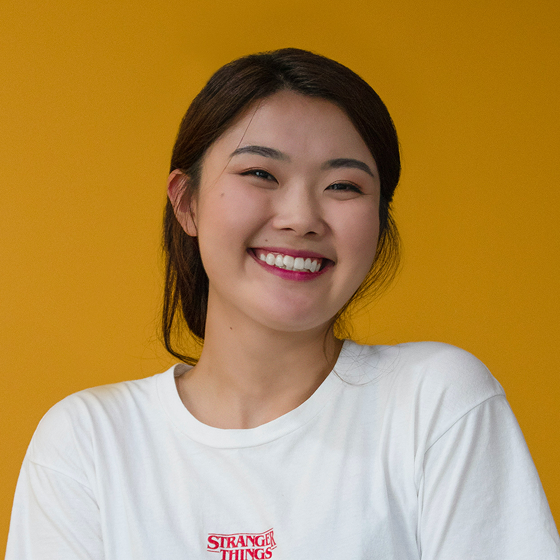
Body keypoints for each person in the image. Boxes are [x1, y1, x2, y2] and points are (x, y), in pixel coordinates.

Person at [6, 48, 560, 560]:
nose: (301, 218)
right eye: (260, 174)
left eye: (344, 186)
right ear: (187, 202)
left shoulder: (437, 403)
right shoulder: (87, 441)